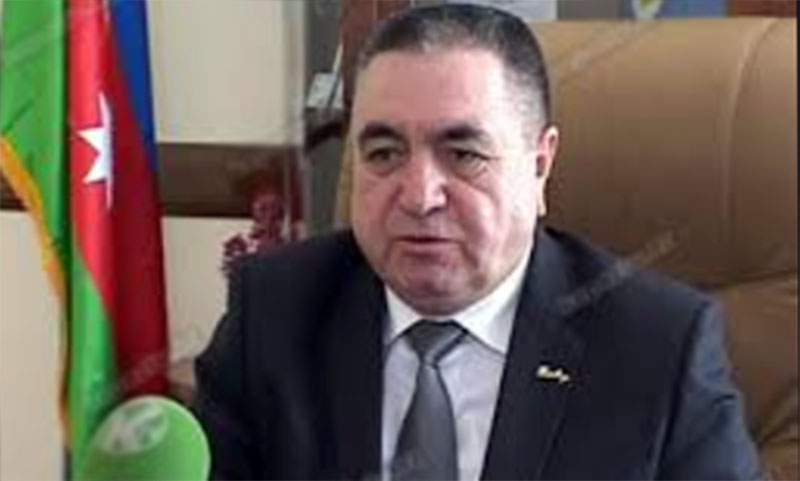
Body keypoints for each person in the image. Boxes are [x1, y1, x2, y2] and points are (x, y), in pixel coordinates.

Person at [193, 4, 760, 480]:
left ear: (539, 166)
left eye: (463, 155)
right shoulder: (274, 313)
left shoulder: (659, 347)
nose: (419, 197)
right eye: (384, 154)